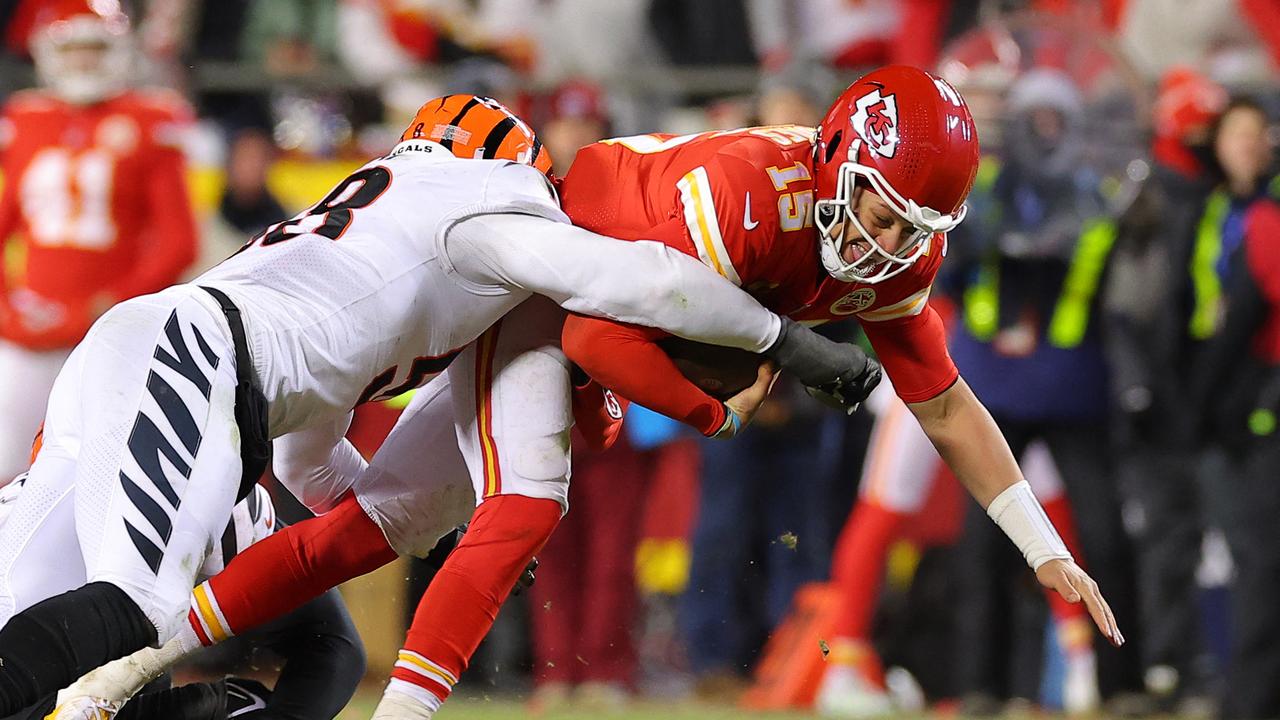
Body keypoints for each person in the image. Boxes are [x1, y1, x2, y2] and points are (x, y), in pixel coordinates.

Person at [66, 68, 1123, 719]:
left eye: (911, 231)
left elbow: (944, 403)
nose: (883, 245)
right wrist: (723, 404)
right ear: (836, 155)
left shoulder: (887, 257)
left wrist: (1045, 549)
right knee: (527, 496)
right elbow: (594, 328)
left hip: (591, 311)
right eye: (878, 212)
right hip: (555, 281)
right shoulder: (749, 194)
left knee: (371, 528)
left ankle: (123, 668)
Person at [0, 0, 198, 481]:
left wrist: (113, 305)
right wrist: (8, 307)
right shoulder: (24, 118)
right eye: (72, 49)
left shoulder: (152, 118)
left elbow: (179, 243)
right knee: (6, 464)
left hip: (108, 329)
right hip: (30, 330)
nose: (83, 61)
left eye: (94, 47)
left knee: (105, 477)